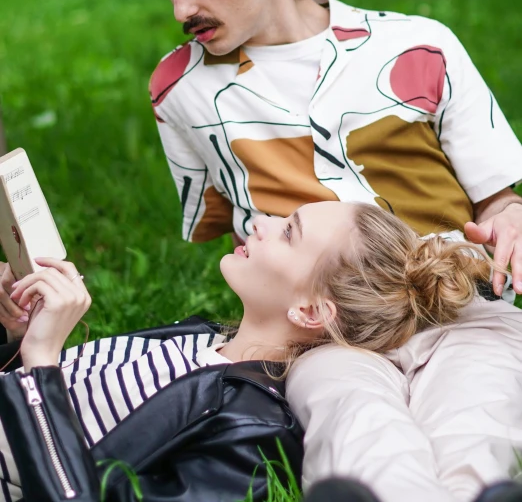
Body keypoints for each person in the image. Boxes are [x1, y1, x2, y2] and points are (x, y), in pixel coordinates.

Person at [112, 0, 522, 499]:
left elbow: (501, 201)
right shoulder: (181, 91)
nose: (181, 9)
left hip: (457, 309)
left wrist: (509, 222)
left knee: (476, 412)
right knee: (347, 414)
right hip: (322, 328)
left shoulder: (419, 48)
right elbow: (238, 241)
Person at [2, 200, 522, 502]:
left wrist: (42, 361)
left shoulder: (249, 428)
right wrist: (17, 338)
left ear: (312, 312)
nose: (259, 222)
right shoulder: (201, 339)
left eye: (288, 232)